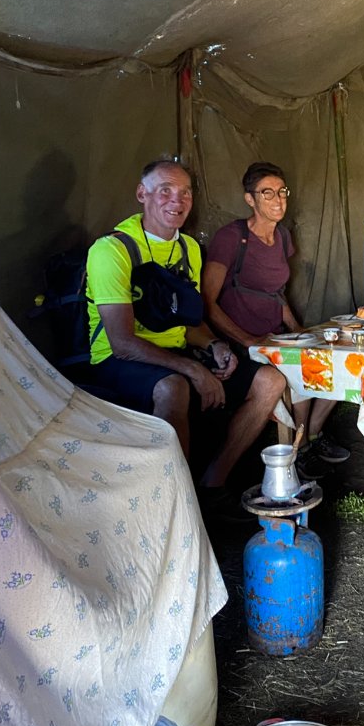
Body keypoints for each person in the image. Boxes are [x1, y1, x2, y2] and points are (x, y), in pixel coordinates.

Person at [85, 158, 289, 509]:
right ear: (141, 194)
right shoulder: (112, 250)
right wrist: (194, 370)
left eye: (185, 193)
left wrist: (214, 344)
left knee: (270, 381)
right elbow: (122, 343)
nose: (176, 201)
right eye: (165, 191)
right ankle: (175, 506)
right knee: (173, 387)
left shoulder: (188, 249)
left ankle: (212, 484)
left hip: (177, 352)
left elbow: (189, 323)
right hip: (116, 359)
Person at [201, 161, 350, 477]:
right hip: (240, 342)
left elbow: (276, 292)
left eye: (282, 192)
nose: (278, 200)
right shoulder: (232, 238)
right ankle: (301, 448)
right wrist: (246, 340)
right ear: (250, 199)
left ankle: (311, 435)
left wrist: (297, 329)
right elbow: (207, 303)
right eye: (267, 193)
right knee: (301, 369)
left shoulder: (282, 237)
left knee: (333, 356)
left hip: (273, 335)